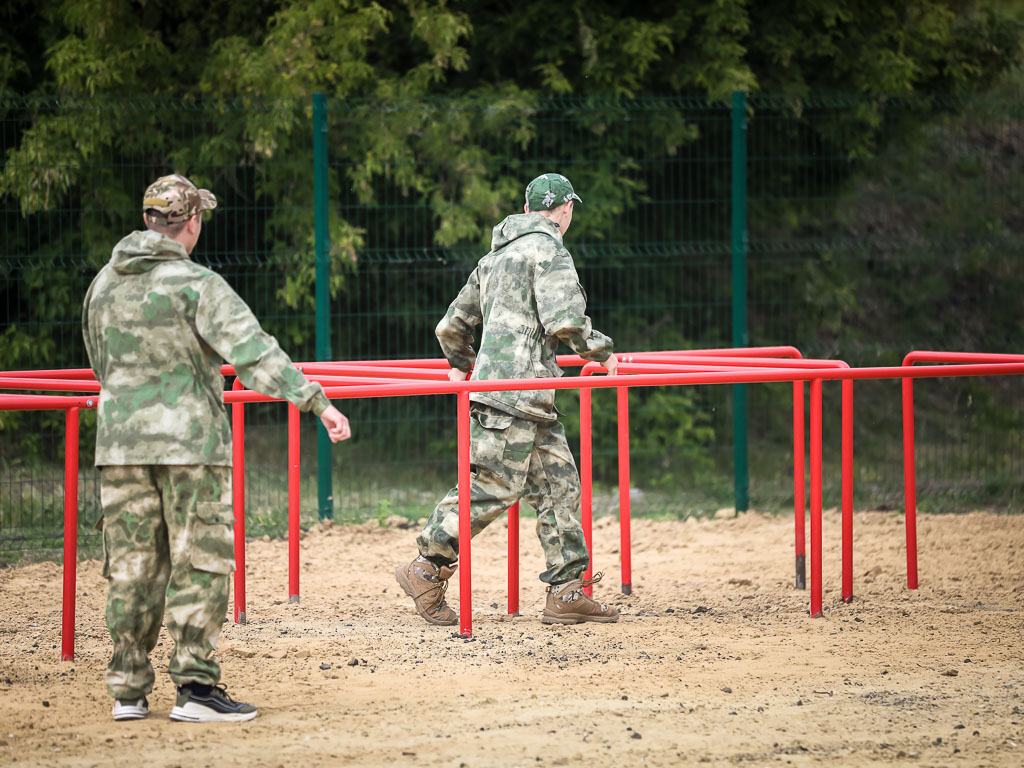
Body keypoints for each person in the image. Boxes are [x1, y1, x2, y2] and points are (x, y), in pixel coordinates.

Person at [82, 174, 351, 723]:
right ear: (192, 223)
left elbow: (98, 362)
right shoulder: (197, 284)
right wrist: (315, 401)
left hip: (120, 444)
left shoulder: (103, 284)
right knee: (199, 562)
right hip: (190, 445)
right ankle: (196, 689)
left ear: (149, 219)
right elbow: (253, 353)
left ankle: (128, 690)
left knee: (132, 564)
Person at [396, 172, 619, 627]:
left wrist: (462, 360)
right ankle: (426, 568)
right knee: (492, 487)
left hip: (528, 396)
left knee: (559, 487)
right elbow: (565, 320)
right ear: (565, 209)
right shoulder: (549, 250)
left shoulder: (493, 259)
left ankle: (566, 590)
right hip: (515, 394)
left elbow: (451, 326)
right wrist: (602, 352)